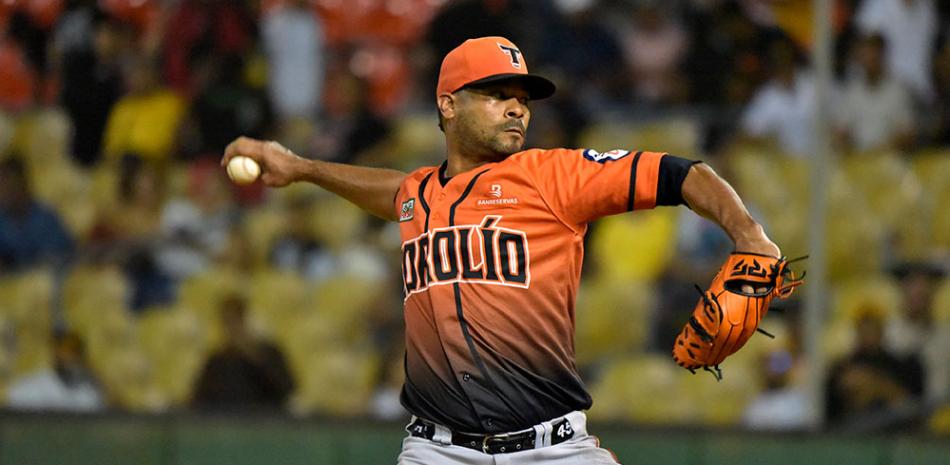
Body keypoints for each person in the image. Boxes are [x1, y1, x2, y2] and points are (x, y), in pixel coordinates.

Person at [222, 36, 783, 464]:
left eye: (521, 99)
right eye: (496, 95)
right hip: (436, 451)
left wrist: (749, 234)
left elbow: (683, 174)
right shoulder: (419, 194)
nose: (518, 108)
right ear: (447, 105)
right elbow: (393, 191)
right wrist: (300, 168)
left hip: (552, 449)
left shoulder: (552, 176)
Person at [191, 293, 294, 412]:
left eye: (236, 320)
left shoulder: (269, 352)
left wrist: (254, 356)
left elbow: (286, 391)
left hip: (263, 421)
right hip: (223, 422)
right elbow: (199, 399)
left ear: (246, 320)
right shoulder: (216, 359)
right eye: (227, 321)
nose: (232, 327)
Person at [6, 330, 105, 412]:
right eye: (65, 350)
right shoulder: (29, 388)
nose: (70, 357)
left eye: (74, 351)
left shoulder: (88, 391)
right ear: (55, 352)